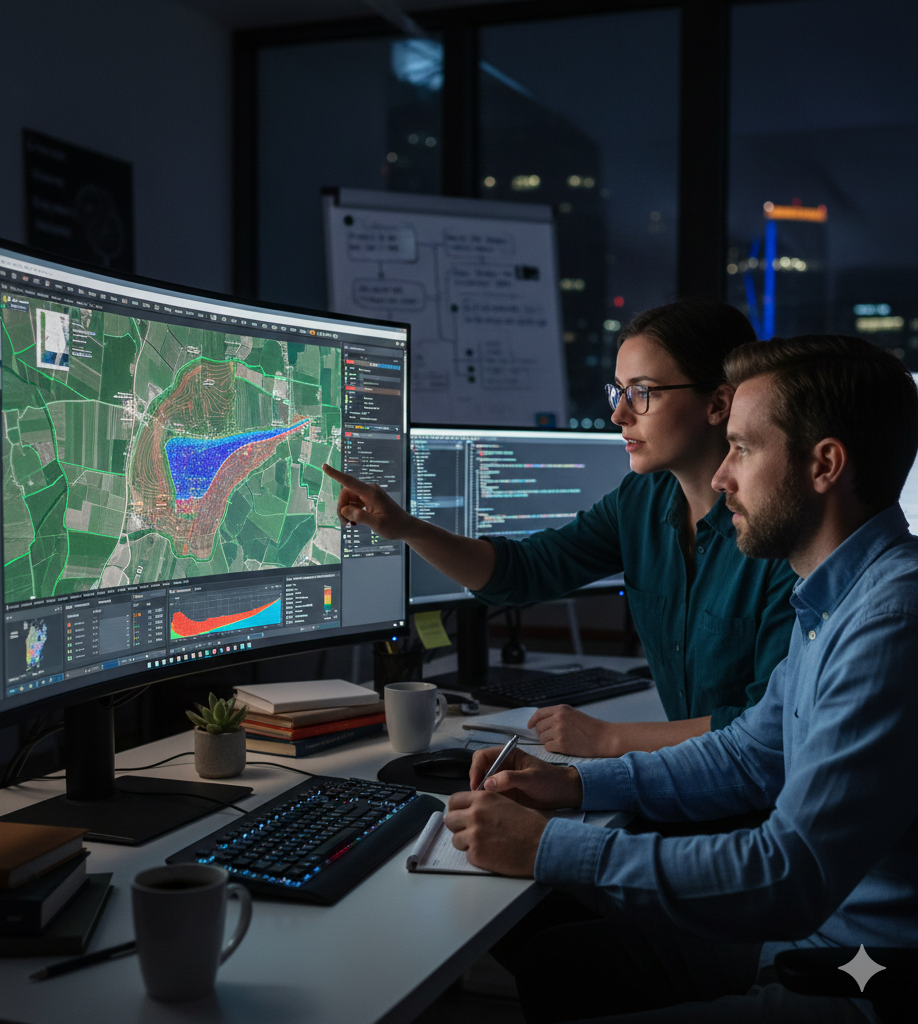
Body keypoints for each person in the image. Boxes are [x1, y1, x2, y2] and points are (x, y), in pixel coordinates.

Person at [443, 334, 918, 1023]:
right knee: (558, 963)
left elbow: (791, 876)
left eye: (743, 449)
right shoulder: (833, 597)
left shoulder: (890, 623)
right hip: (810, 938)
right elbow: (750, 754)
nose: (722, 477)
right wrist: (573, 784)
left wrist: (548, 846)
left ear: (824, 464)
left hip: (862, 975)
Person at [323, 299, 797, 757]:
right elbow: (523, 572)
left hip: (755, 796)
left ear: (717, 404)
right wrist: (406, 527)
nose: (618, 414)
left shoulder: (780, 535)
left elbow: (767, 729)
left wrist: (608, 739)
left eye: (642, 393)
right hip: (686, 775)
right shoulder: (640, 501)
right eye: (618, 392)